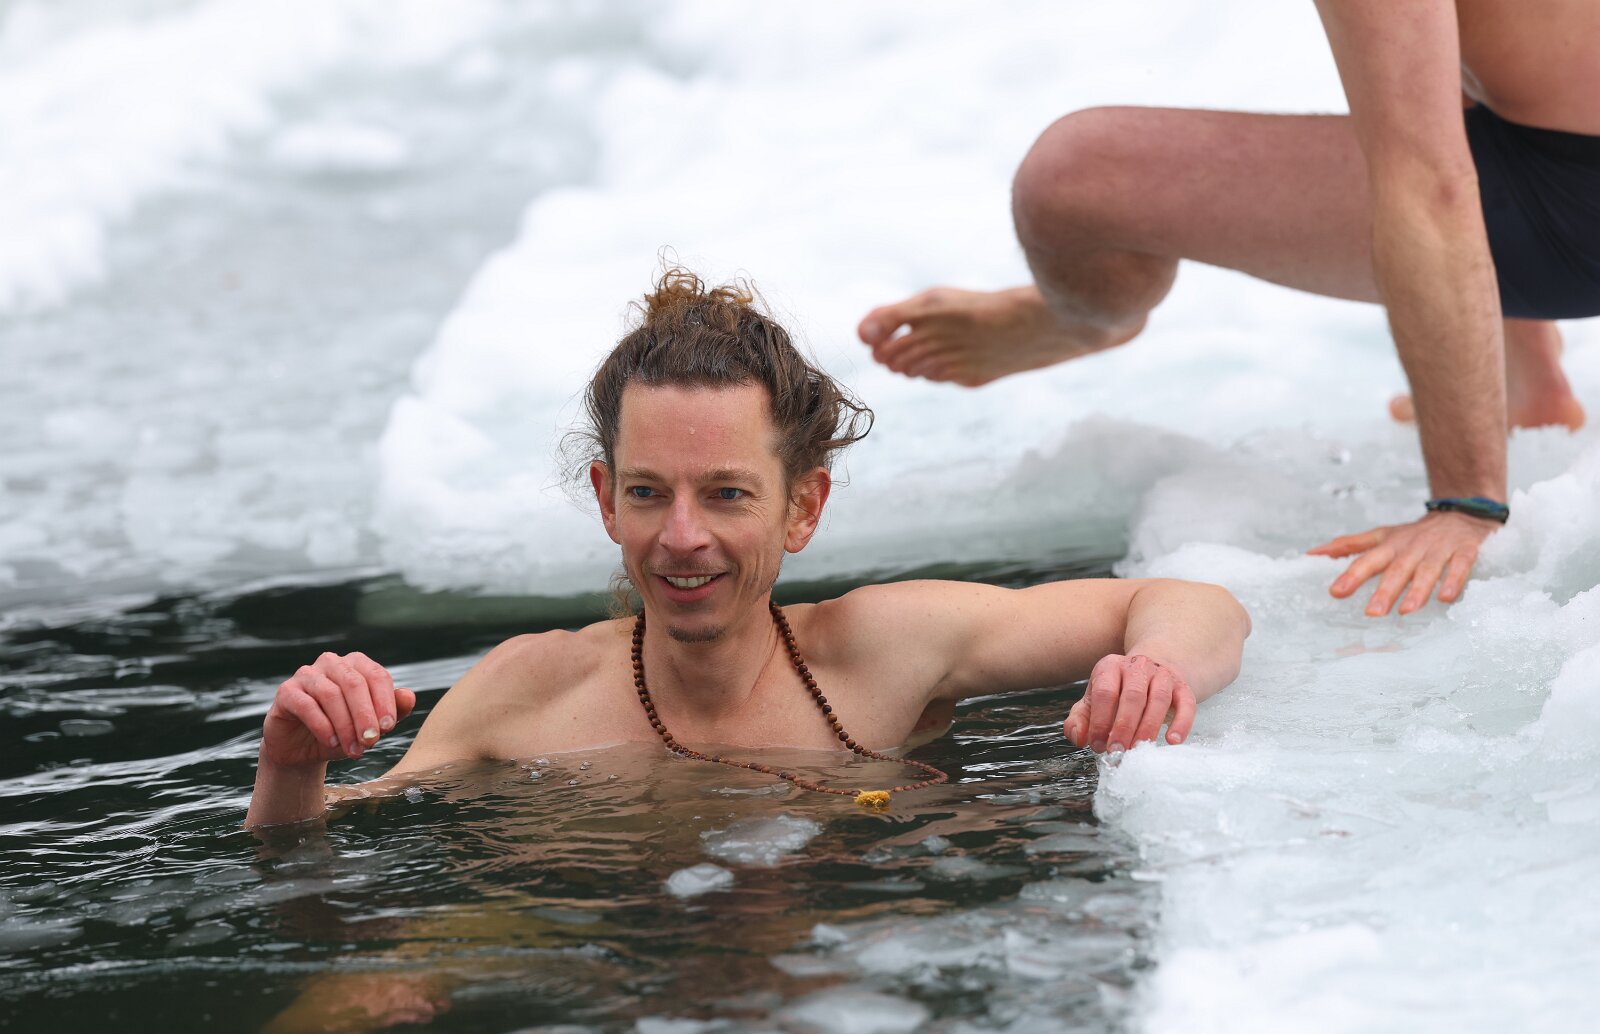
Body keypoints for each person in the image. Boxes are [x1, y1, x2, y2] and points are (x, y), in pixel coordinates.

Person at [245, 270, 1251, 828]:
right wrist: (291, 764)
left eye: (726, 493)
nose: (682, 536)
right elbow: (328, 836)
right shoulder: (525, 690)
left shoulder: (880, 650)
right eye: (648, 492)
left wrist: (1155, 667)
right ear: (606, 499)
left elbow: (1192, 603)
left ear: (801, 507)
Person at [858, 0, 1600, 618]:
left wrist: (1468, 504)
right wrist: (1525, 372)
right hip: (1562, 162)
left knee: (1075, 178)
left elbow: (1429, 184)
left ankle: (1079, 320)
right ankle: (1529, 379)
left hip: (1575, 203)